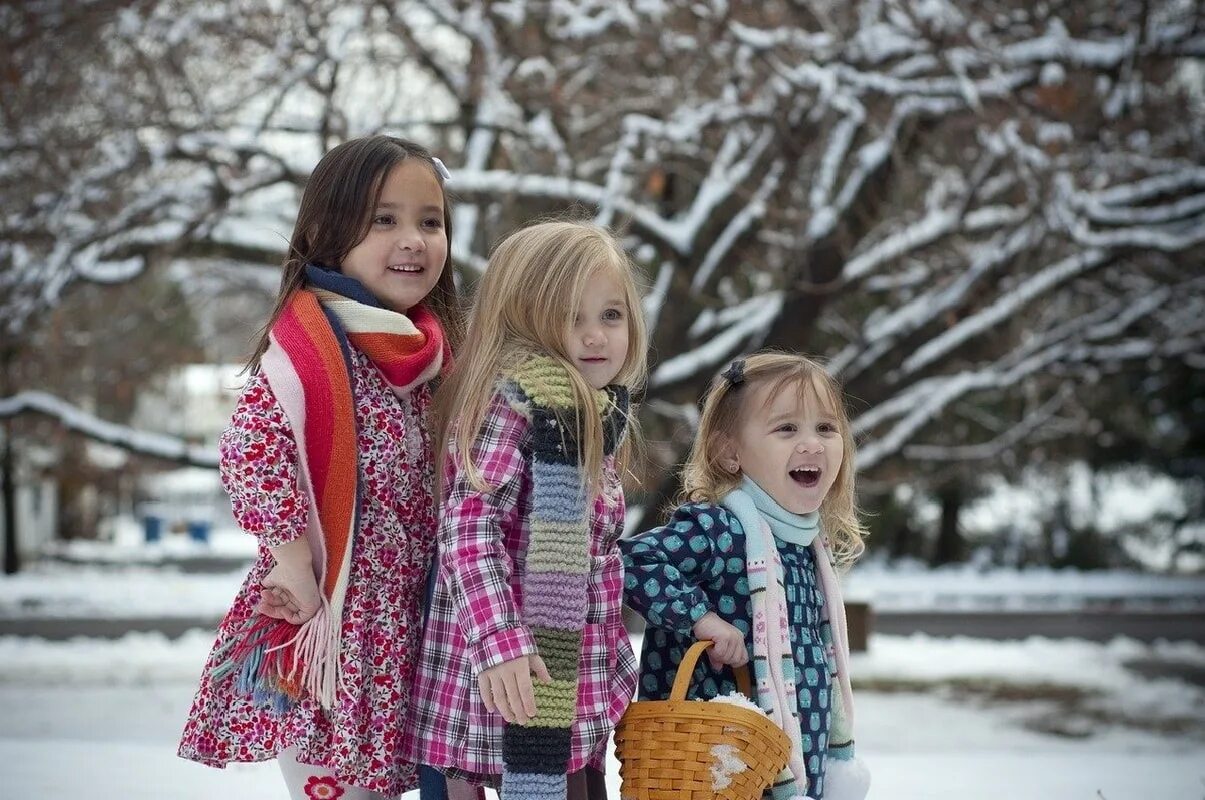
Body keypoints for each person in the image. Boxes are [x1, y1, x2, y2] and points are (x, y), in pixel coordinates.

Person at [178, 135, 462, 800]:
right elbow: (253, 451)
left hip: (422, 618)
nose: (414, 240)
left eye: (430, 221)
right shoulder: (307, 350)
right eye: (383, 220)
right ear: (328, 234)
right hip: (334, 623)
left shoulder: (439, 356)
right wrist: (290, 561)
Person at [403, 221, 649, 800]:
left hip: (565, 682)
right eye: (572, 317)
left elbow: (595, 557)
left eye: (611, 315)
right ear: (526, 318)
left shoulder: (592, 414)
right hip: (501, 682)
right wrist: (501, 642)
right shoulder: (516, 404)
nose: (595, 336)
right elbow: (468, 529)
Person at [620, 352, 871, 800]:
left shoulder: (807, 547)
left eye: (826, 428)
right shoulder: (719, 529)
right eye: (786, 428)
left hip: (798, 761)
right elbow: (635, 561)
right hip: (716, 767)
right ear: (729, 451)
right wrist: (701, 618)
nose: (812, 444)